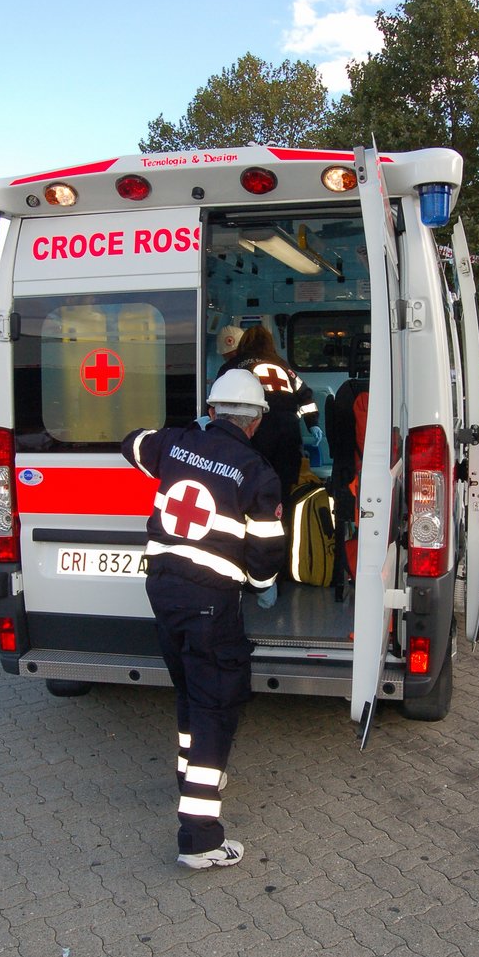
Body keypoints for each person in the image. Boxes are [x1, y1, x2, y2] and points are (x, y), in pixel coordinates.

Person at [121, 369, 285, 870]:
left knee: (191, 689)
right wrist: (260, 588)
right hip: (211, 599)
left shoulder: (174, 445)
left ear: (212, 411)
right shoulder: (258, 473)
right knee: (216, 705)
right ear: (255, 420)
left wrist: (182, 437)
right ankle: (200, 838)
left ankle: (188, 773)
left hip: (163, 589)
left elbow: (131, 444)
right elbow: (267, 553)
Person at [219, 325, 322, 513]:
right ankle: (284, 526)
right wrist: (312, 424)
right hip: (289, 432)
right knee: (284, 486)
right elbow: (306, 396)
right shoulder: (283, 366)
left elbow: (220, 400)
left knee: (254, 483)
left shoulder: (233, 366)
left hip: (258, 430)